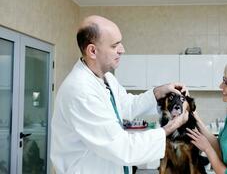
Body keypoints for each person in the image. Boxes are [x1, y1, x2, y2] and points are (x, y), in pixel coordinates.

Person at [50, 15, 189, 174]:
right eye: (115, 45)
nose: (122, 50)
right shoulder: (80, 91)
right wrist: (171, 127)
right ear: (93, 51)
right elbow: (123, 148)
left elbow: (127, 106)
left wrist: (159, 91)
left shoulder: (106, 78)